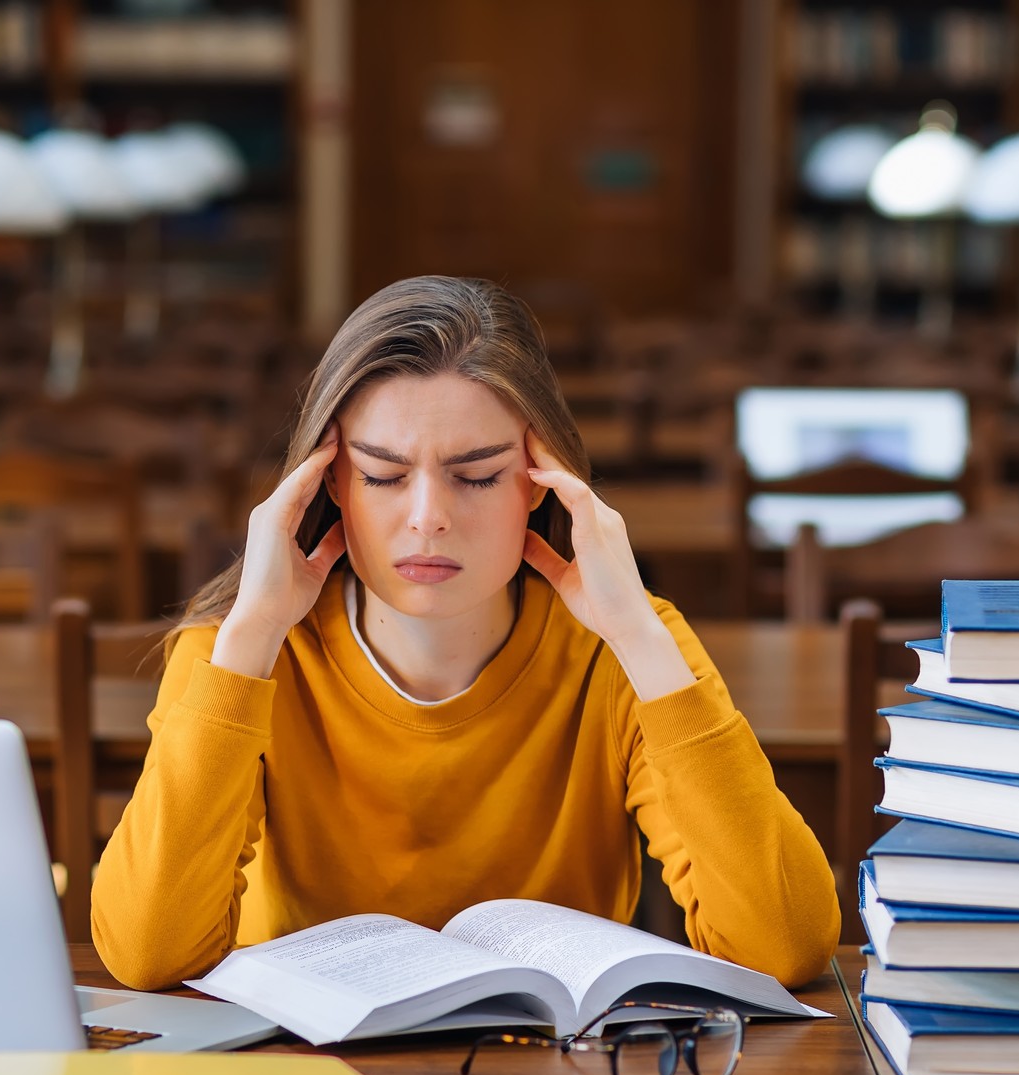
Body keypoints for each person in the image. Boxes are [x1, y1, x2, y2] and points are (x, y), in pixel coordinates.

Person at [92, 276, 839, 990]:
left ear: (543, 479)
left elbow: (785, 945)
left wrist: (640, 638)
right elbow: (148, 954)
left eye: (477, 475)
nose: (427, 518)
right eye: (382, 476)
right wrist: (252, 635)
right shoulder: (238, 653)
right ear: (327, 482)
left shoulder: (631, 649)